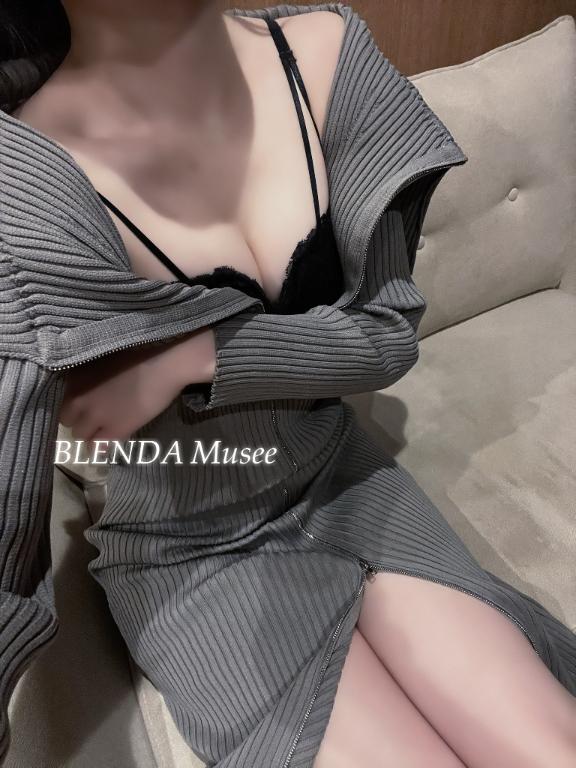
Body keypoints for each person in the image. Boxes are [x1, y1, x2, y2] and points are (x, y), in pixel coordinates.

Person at [1, 2, 575, 766]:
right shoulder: (27, 175)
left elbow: (386, 334)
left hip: (342, 478)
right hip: (188, 550)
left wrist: (195, 354)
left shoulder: (328, 53)